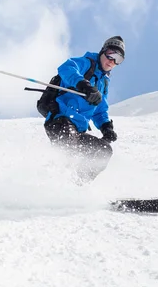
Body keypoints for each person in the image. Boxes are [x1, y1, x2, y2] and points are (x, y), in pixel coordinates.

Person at [44, 36, 125, 183]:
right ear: (103, 51)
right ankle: (56, 183)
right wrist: (82, 84)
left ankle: (78, 186)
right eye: (111, 54)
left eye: (118, 59)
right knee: (69, 149)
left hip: (78, 131)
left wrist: (106, 126)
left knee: (103, 151)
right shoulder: (87, 63)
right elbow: (66, 68)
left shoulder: (103, 82)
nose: (112, 61)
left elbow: (100, 109)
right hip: (60, 121)